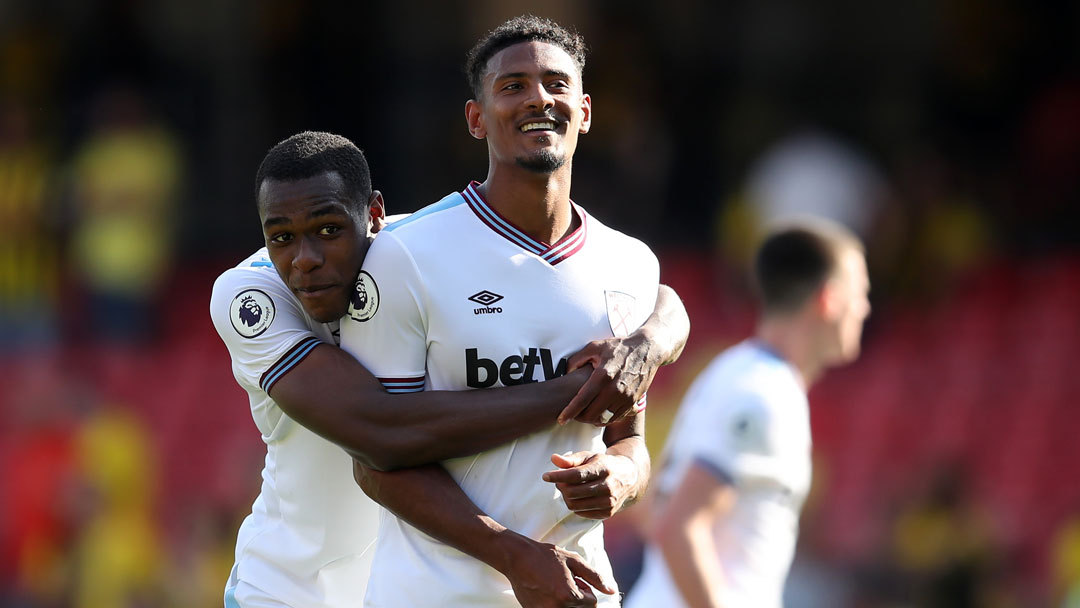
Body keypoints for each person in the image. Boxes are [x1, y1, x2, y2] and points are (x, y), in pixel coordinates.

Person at [209, 131, 689, 607]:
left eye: (329, 230)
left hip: (395, 592)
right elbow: (378, 432)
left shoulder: (413, 251)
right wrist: (580, 391)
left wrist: (655, 337)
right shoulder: (249, 295)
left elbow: (651, 293)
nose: (305, 259)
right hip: (285, 591)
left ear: (374, 215)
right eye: (282, 238)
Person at [340, 15, 663, 607]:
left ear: (585, 111)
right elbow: (375, 459)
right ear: (476, 118)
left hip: (581, 592)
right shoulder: (406, 256)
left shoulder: (631, 264)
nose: (539, 97)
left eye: (556, 83)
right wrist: (514, 556)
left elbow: (630, 441)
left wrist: (622, 478)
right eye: (513, 86)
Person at [625, 218, 871, 608]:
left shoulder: (733, 370)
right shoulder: (763, 395)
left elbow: (655, 504)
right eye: (861, 293)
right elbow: (678, 527)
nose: (866, 308)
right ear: (829, 300)